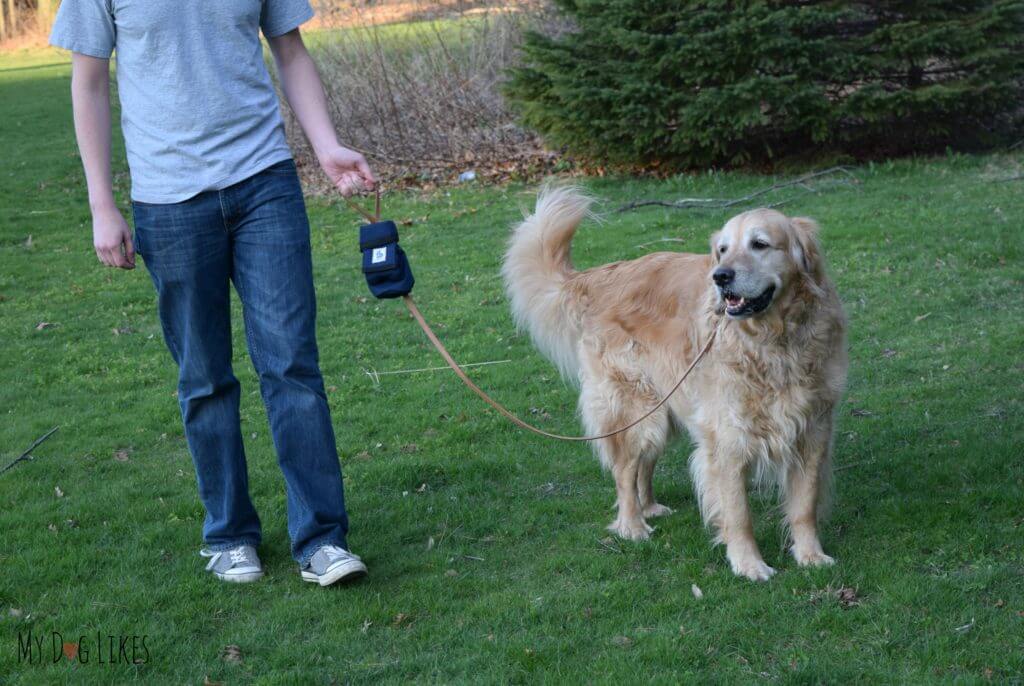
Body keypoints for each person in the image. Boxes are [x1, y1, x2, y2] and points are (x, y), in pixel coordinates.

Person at [50, 0, 373, 587]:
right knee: (203, 377)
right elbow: (89, 82)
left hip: (265, 182)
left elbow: (291, 51)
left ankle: (322, 538)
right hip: (169, 201)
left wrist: (326, 145)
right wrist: (102, 203)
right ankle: (229, 535)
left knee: (292, 365)